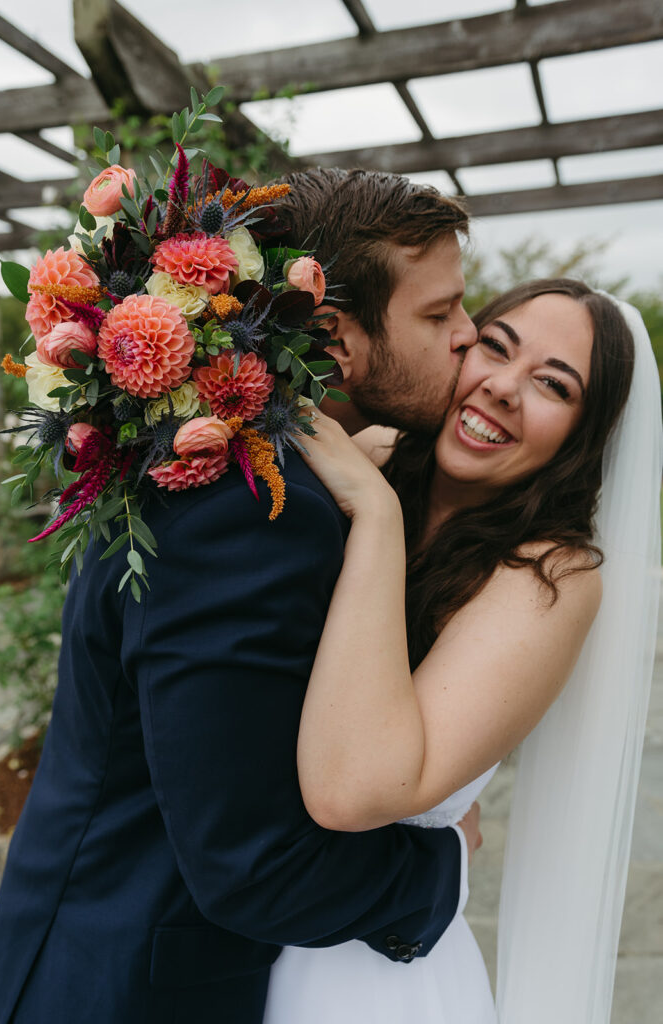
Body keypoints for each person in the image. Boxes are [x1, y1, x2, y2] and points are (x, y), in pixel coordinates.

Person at [0, 171, 482, 1024]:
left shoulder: (207, 459)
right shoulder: (247, 510)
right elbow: (256, 868)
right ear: (332, 335)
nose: (470, 337)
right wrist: (446, 866)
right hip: (129, 986)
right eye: (440, 316)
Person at [263, 279, 662, 1023]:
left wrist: (374, 512)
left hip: (362, 978)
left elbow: (353, 790)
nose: (504, 388)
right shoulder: (368, 458)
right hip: (232, 939)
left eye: (552, 384)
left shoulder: (551, 575)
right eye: (495, 347)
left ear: (584, 434)